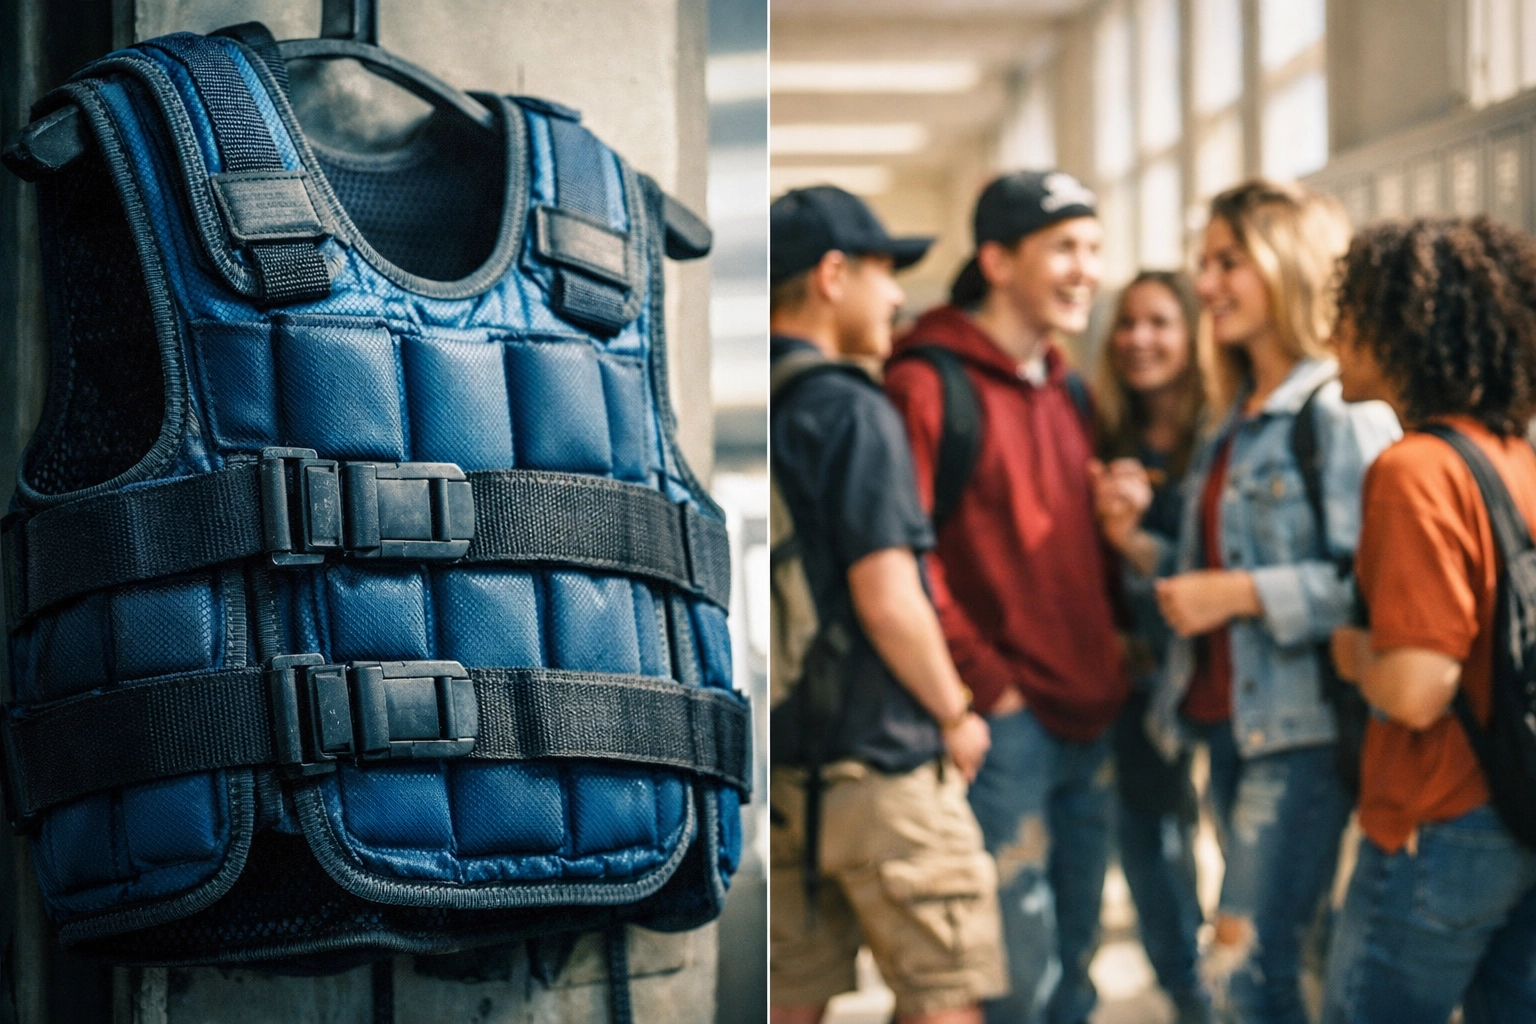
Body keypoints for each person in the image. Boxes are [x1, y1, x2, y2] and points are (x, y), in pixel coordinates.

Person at [1144, 179, 1400, 1024]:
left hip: (1302, 733)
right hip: (1230, 727)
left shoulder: (1336, 412)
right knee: (1278, 964)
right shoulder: (1234, 419)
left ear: (1288, 264)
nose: (1207, 285)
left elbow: (1379, 588)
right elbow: (1207, 577)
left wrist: (1238, 592)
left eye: (1229, 262)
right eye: (1203, 264)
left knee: (1242, 971)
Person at [885, 170, 1129, 1024]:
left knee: (1073, 972)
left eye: (1094, 249)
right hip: (1008, 725)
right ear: (996, 259)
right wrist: (990, 687)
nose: (1086, 270)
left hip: (1088, 714)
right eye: (1064, 248)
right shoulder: (924, 384)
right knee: (1003, 984)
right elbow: (903, 560)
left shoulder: (1068, 385)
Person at [767, 185, 1008, 1024]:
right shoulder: (851, 411)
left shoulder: (757, 406)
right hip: (884, 770)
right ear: (833, 275)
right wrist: (955, 712)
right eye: (883, 272)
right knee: (943, 998)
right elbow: (889, 594)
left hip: (785, 772)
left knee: (790, 1001)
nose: (899, 294)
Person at [1324, 216, 1536, 1023]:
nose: (1334, 333)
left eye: (1353, 310)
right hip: (1519, 806)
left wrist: (1353, 656)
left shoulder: (1414, 470)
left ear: (1400, 326)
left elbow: (1416, 690)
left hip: (1437, 819)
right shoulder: (1512, 455)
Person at [1090, 271, 1210, 1024]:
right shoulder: (1102, 436)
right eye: (1128, 323)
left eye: (1161, 323)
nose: (1140, 340)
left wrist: (1132, 540)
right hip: (1134, 675)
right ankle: (1190, 994)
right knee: (1152, 841)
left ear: (1194, 333)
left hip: (1222, 666)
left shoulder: (1225, 433)